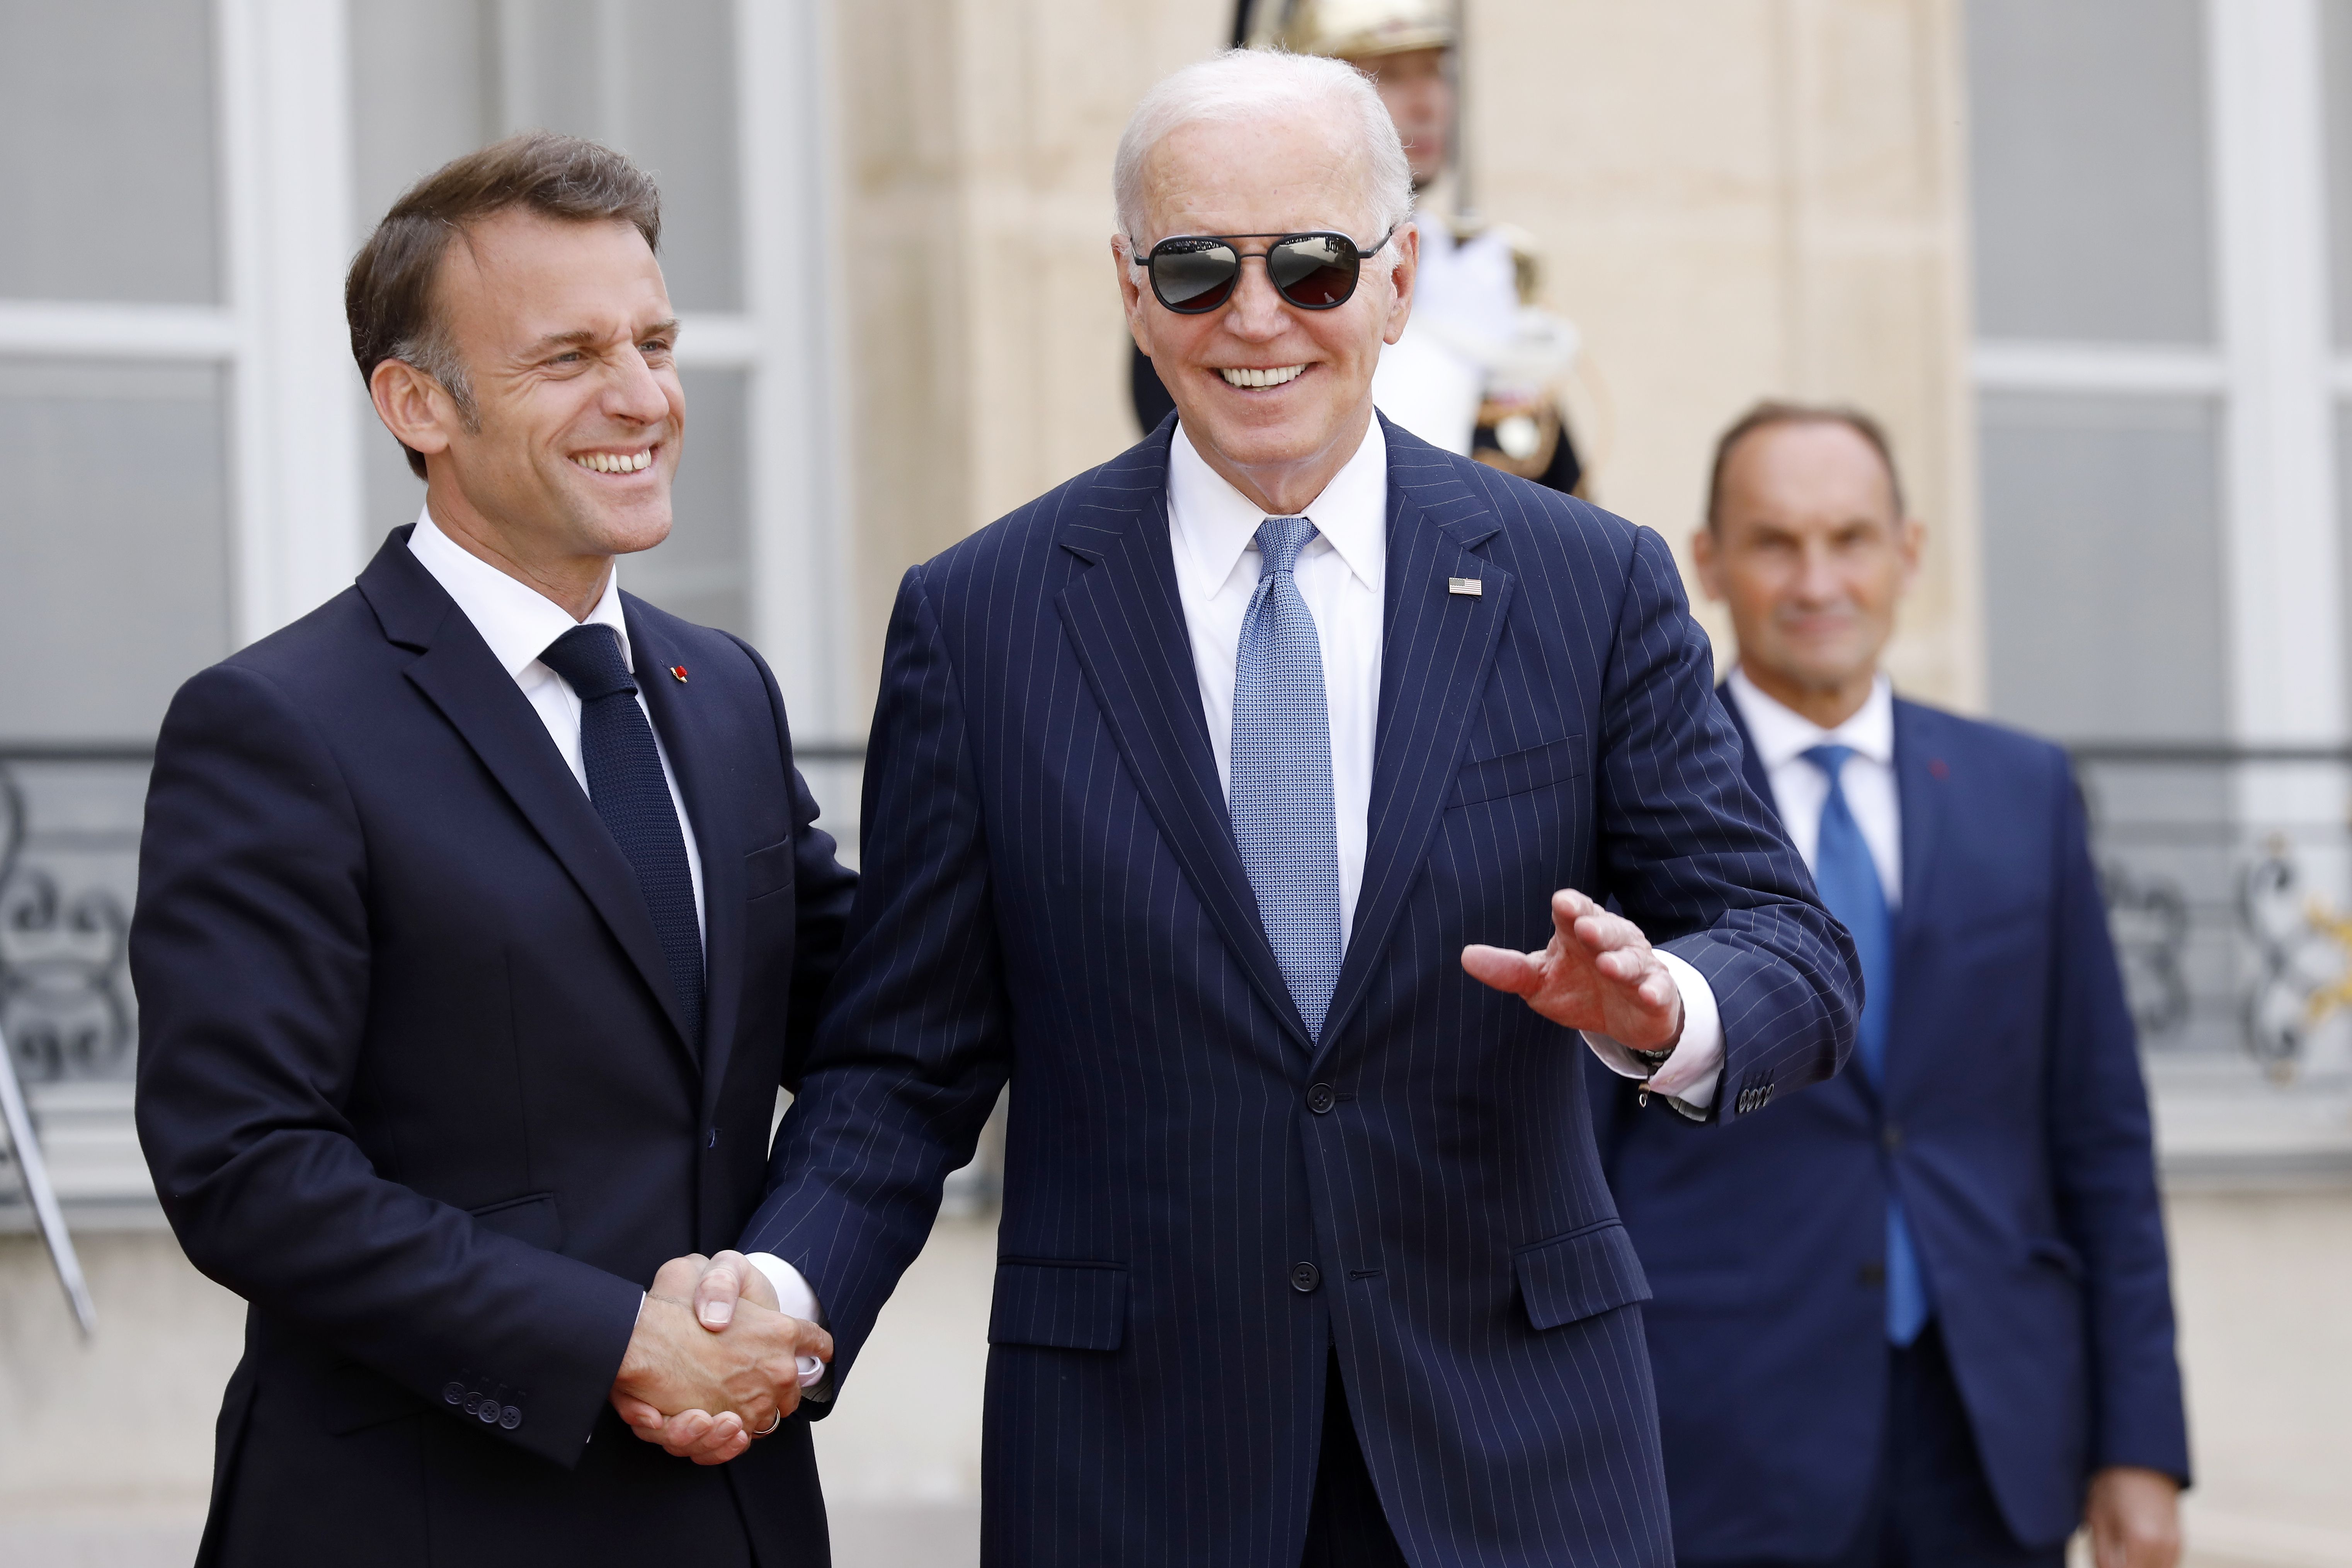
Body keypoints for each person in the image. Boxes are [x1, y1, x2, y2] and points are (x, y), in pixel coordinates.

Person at [676, 51, 1857, 1566]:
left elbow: (1793, 951)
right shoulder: (983, 620)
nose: (1253, 319)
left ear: (1396, 279)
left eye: (1309, 266)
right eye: (1194, 268)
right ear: (1127, 287)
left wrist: (1662, 1006)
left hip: (1518, 1461)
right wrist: (777, 1299)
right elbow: (905, 1066)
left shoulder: (1587, 583)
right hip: (1133, 1470)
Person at [130, 134, 849, 1566]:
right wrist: (609, 1343)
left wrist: (772, 1292)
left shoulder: (723, 692)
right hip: (420, 1508)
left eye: (655, 339)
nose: (641, 396)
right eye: (570, 355)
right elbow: (246, 1164)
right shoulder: (275, 724)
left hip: (735, 1505)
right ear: (418, 403)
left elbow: (867, 1014)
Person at [1587, 402, 2190, 1567]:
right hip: (1720, 1435)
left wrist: (2140, 1440)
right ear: (1707, 561)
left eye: (1850, 538)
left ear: (1907, 551)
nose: (1818, 579)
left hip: (1992, 1428)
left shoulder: (2025, 789)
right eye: (1774, 541)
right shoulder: (1624, 802)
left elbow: (2100, 1133)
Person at [1135, 0, 1590, 497]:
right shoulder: (1189, 273)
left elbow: (1547, 487)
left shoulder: (1481, 273)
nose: (1427, 103)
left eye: (1435, 71)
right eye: (1388, 74)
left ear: (1402, 274)